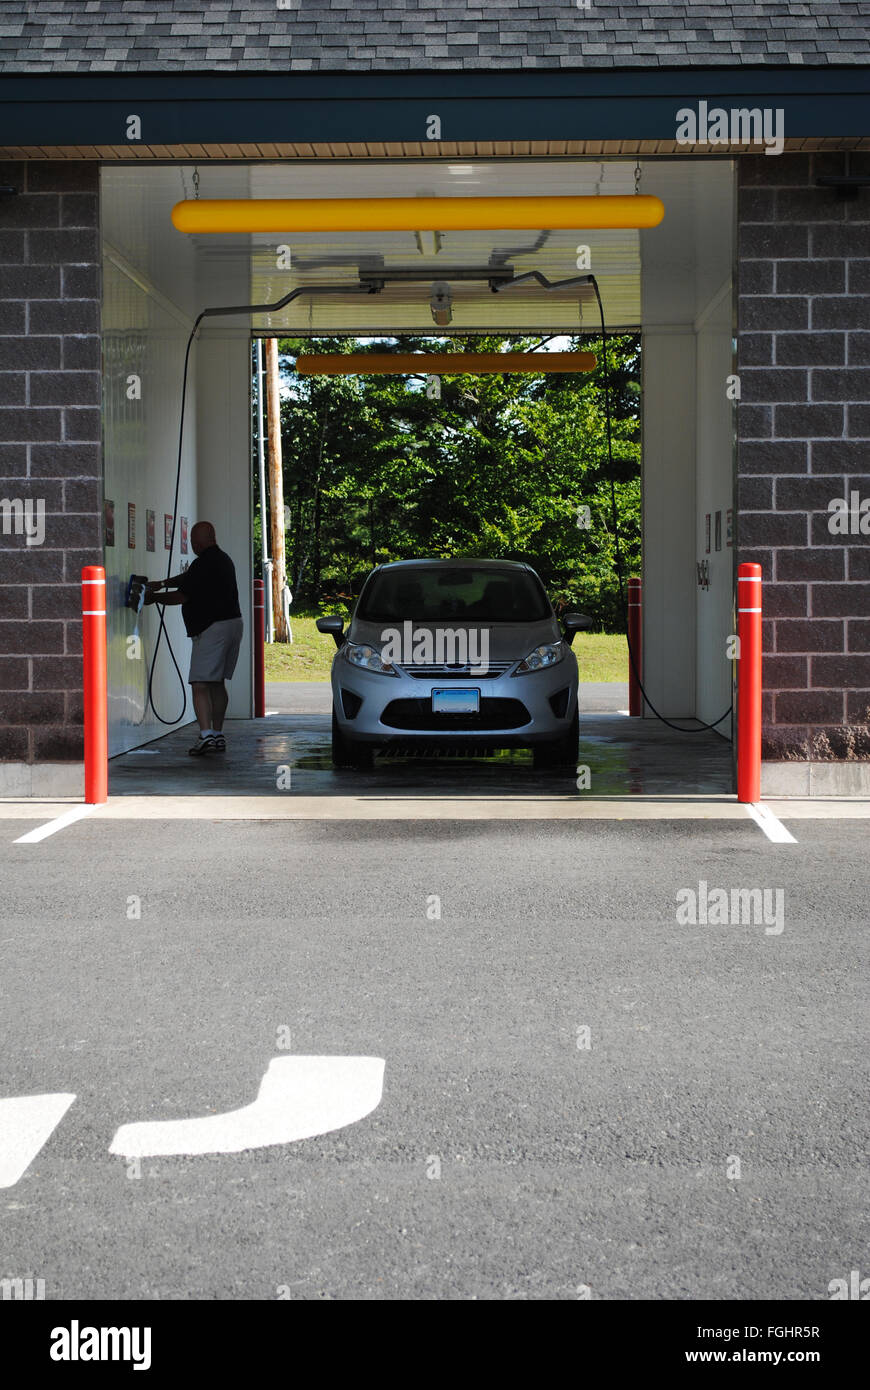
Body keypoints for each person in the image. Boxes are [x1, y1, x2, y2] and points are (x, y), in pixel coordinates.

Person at [145, 521, 243, 756]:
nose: (192, 546)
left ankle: (205, 735)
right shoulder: (222, 559)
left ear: (197, 542)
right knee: (217, 683)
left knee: (199, 684)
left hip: (212, 629)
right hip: (233, 624)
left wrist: (153, 597)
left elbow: (181, 596)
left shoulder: (203, 563)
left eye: (192, 542)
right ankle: (218, 735)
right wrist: (162, 583)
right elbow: (188, 578)